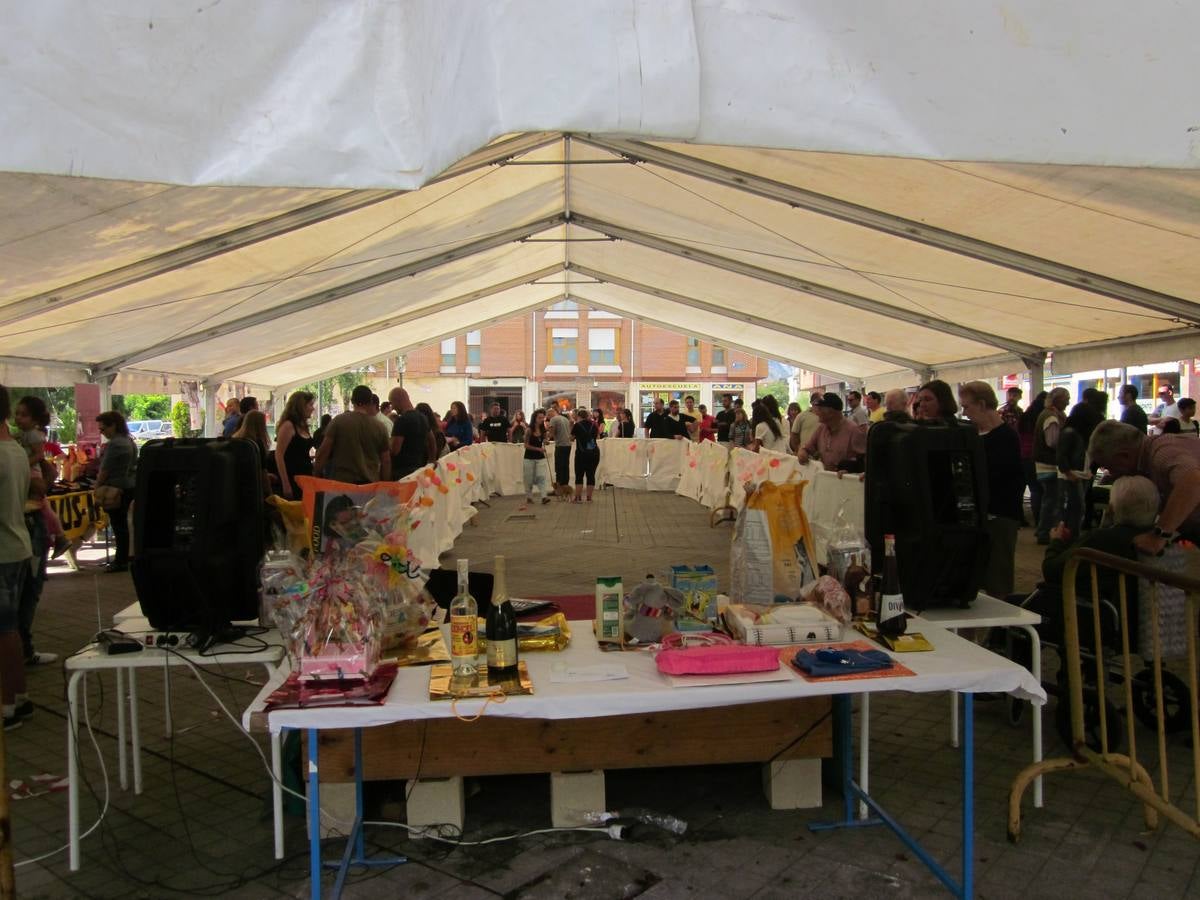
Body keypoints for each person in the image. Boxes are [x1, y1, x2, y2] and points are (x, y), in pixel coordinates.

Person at [1088, 419, 1200, 553]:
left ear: (1124, 456)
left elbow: (1193, 481)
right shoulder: (1151, 456)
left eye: (1109, 466)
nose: (1111, 474)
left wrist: (1159, 534)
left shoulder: (1162, 452)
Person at [959, 381, 1024, 597]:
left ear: (982, 404)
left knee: (998, 580)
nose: (964, 412)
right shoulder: (973, 435)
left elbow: (1004, 479)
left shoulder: (1006, 437)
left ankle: (1001, 631)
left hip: (1000, 517)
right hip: (978, 516)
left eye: (967, 407)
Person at [0, 385, 34, 730]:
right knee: (9, 629)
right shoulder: (15, 450)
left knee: (4, 631)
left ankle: (9, 703)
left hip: (4, 551)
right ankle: (18, 696)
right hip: (16, 545)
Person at [13, 396, 69, 559]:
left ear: (35, 419)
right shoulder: (23, 434)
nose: (18, 418)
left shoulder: (33, 435)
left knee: (40, 504)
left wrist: (23, 463)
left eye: (24, 415)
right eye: (17, 414)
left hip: (33, 472)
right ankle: (57, 536)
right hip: (30, 471)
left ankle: (59, 535)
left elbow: (38, 455)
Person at [312, 385, 391, 484]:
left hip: (342, 483)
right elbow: (386, 460)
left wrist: (316, 475)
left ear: (352, 401)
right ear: (370, 402)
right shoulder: (380, 427)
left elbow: (323, 452)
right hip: (369, 485)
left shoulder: (338, 421)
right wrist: (385, 484)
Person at [95, 411, 138, 573]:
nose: (102, 432)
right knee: (124, 525)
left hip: (116, 489)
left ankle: (120, 560)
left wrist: (97, 486)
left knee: (119, 526)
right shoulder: (129, 441)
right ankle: (125, 557)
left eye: (103, 429)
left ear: (113, 425)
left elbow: (105, 469)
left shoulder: (115, 444)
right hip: (129, 487)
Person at [1033, 387, 1070, 544]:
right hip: (1049, 465)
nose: (1068, 401)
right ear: (1059, 400)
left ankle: (1043, 531)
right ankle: (1044, 532)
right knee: (1052, 501)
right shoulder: (1051, 417)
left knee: (1048, 500)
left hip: (1042, 464)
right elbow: (1052, 442)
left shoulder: (1046, 414)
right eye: (1066, 398)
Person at [797, 393, 867, 471]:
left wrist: (851, 470)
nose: (816, 412)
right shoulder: (821, 429)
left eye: (820, 408)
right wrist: (803, 452)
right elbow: (808, 448)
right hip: (826, 478)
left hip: (845, 481)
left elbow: (865, 463)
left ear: (831, 411)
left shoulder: (853, 431)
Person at [274, 390, 315, 500]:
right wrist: (286, 483)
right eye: (310, 405)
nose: (313, 408)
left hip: (305, 477)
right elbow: (279, 455)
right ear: (301, 406)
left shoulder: (302, 426)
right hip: (293, 477)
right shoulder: (288, 426)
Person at [388, 387, 434, 481]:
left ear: (398, 400)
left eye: (392, 403)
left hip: (402, 472)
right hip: (418, 469)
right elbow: (432, 441)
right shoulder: (423, 418)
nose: (392, 407)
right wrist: (431, 460)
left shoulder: (401, 420)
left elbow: (395, 450)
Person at [1018, 391, 1048, 527]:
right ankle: (1040, 520)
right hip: (1037, 455)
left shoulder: (1025, 416)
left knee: (1029, 488)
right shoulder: (1044, 417)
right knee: (1039, 489)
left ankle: (1023, 518)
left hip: (1023, 455)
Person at [233, 410, 276, 493]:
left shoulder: (236, 439)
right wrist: (270, 494)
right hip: (253, 486)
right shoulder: (256, 444)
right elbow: (262, 470)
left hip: (236, 484)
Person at [519, 408, 551, 507]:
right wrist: (538, 449)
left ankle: (544, 497)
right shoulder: (529, 430)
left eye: (543, 418)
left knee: (541, 477)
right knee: (528, 478)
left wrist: (546, 441)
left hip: (540, 457)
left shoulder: (543, 429)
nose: (542, 419)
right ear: (535, 418)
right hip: (529, 457)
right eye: (540, 418)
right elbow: (526, 445)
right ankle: (529, 496)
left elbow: (545, 440)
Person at [571, 406, 601, 502]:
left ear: (579, 416)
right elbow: (597, 436)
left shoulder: (577, 425)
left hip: (581, 453)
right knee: (591, 475)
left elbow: (571, 438)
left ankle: (578, 497)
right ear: (588, 416)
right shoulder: (594, 425)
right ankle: (589, 497)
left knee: (579, 475)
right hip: (594, 453)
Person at [547, 404, 573, 497]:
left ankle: (558, 490)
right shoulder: (565, 419)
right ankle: (565, 488)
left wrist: (546, 439)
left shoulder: (553, 419)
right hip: (568, 445)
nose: (548, 418)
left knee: (558, 468)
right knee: (565, 467)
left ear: (551, 414)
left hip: (560, 446)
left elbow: (551, 433)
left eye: (548, 416)